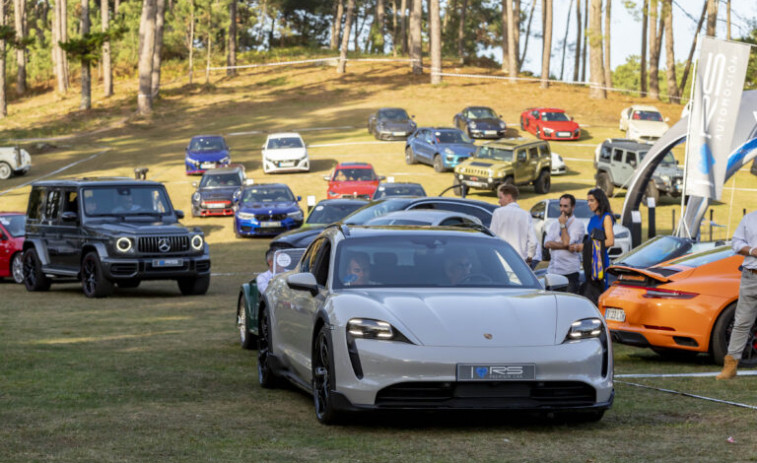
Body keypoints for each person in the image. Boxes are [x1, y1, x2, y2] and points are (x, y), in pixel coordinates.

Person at [716, 210, 757, 380]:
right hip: (750, 275)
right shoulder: (749, 218)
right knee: (741, 323)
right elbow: (736, 243)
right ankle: (730, 366)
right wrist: (752, 250)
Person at [569, 188, 615, 304]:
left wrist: (586, 246)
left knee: (596, 291)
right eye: (588, 200)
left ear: (599, 201)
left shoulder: (606, 217)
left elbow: (610, 241)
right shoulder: (592, 218)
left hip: (599, 260)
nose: (588, 203)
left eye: (591, 200)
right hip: (589, 259)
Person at [543, 194, 585, 293]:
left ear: (573, 207)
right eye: (561, 206)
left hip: (569, 272)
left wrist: (563, 225)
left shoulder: (578, 224)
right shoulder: (554, 224)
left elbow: (567, 243)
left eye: (565, 206)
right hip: (553, 270)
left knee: (568, 304)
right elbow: (546, 244)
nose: (562, 209)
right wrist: (563, 246)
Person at [489, 184, 537, 265]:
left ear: (508, 197)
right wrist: (529, 258)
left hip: (501, 260)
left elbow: (492, 238)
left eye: (501, 197)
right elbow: (533, 242)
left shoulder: (498, 212)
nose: (499, 201)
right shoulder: (526, 215)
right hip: (520, 262)